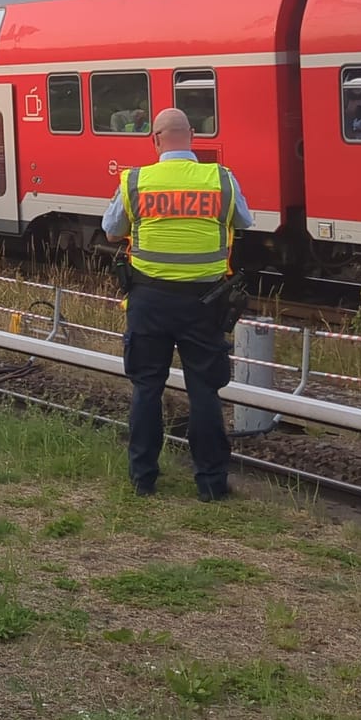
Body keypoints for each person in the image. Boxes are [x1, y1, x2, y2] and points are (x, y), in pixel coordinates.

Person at [101, 108, 254, 503]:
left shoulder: (136, 180)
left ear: (154, 140)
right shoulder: (220, 179)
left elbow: (112, 229)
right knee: (204, 390)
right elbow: (245, 221)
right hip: (206, 303)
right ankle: (211, 483)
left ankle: (143, 479)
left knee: (147, 387)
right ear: (192, 137)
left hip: (149, 300)